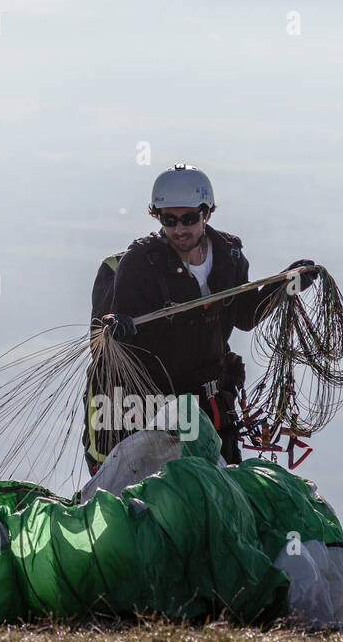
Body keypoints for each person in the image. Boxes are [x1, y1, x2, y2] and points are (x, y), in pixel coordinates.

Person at [85, 163, 315, 472]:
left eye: (189, 219)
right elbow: (119, 333)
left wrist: (283, 287)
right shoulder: (141, 263)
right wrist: (117, 326)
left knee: (221, 488)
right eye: (169, 220)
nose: (179, 230)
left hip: (210, 403)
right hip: (158, 407)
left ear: (206, 213)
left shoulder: (229, 256)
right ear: (158, 217)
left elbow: (245, 315)